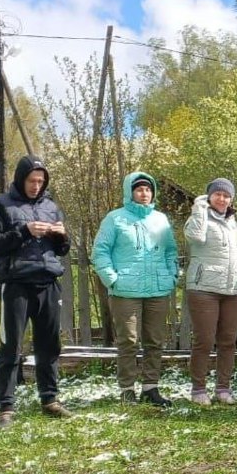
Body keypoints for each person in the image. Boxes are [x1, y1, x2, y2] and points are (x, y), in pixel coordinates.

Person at [0, 155, 73, 428]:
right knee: (11, 346)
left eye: (41, 181)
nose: (36, 186)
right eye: (32, 180)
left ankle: (50, 399)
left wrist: (62, 237)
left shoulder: (51, 207)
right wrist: (24, 230)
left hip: (47, 282)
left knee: (49, 345)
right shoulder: (1, 204)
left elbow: (62, 250)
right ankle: (6, 407)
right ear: (20, 179)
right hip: (16, 284)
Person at [92, 172, 179, 407]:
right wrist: (112, 279)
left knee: (155, 341)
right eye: (139, 189)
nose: (144, 193)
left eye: (148, 189)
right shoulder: (115, 219)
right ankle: (127, 389)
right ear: (129, 192)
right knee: (128, 341)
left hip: (158, 290)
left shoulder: (160, 219)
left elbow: (171, 251)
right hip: (125, 291)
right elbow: (100, 251)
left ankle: (151, 388)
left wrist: (172, 276)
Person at [183, 178, 237, 406]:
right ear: (209, 196)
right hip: (204, 289)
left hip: (232, 289)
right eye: (217, 194)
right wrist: (199, 208)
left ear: (231, 199)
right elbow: (195, 237)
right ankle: (198, 389)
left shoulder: (234, 222)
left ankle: (223, 388)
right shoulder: (199, 217)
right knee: (204, 340)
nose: (222, 199)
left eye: (226, 195)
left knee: (228, 340)